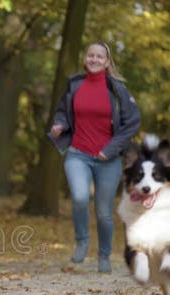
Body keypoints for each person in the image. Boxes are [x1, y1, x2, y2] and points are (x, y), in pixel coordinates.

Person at [47, 42, 140, 273]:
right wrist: (60, 125)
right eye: (91, 55)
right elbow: (62, 111)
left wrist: (109, 149)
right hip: (78, 153)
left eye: (100, 56)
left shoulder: (117, 89)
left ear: (107, 62)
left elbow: (132, 123)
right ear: (85, 58)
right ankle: (82, 241)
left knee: (104, 213)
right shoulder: (75, 84)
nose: (95, 59)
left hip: (108, 160)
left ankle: (104, 255)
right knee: (79, 198)